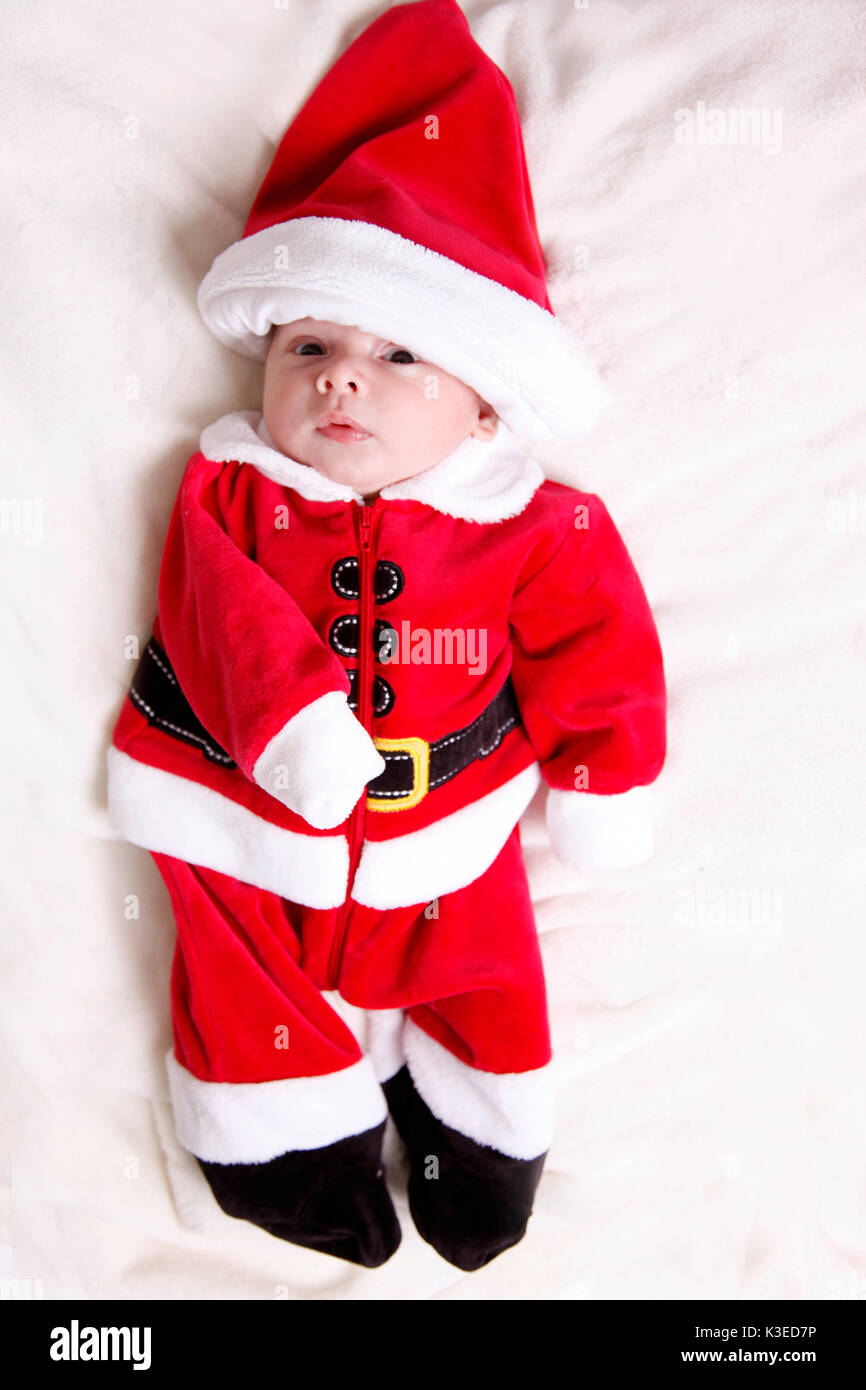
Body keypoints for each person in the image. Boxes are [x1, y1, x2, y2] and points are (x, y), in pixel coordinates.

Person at [106, 0, 667, 1272]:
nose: (339, 378)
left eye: (398, 352)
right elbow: (216, 614)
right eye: (308, 345)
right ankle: (279, 1137)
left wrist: (600, 776)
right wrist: (294, 719)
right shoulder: (231, 491)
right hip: (238, 798)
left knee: (481, 946)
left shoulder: (529, 522)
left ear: (480, 406)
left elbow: (601, 649)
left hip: (447, 813)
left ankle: (478, 1131)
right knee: (231, 948)